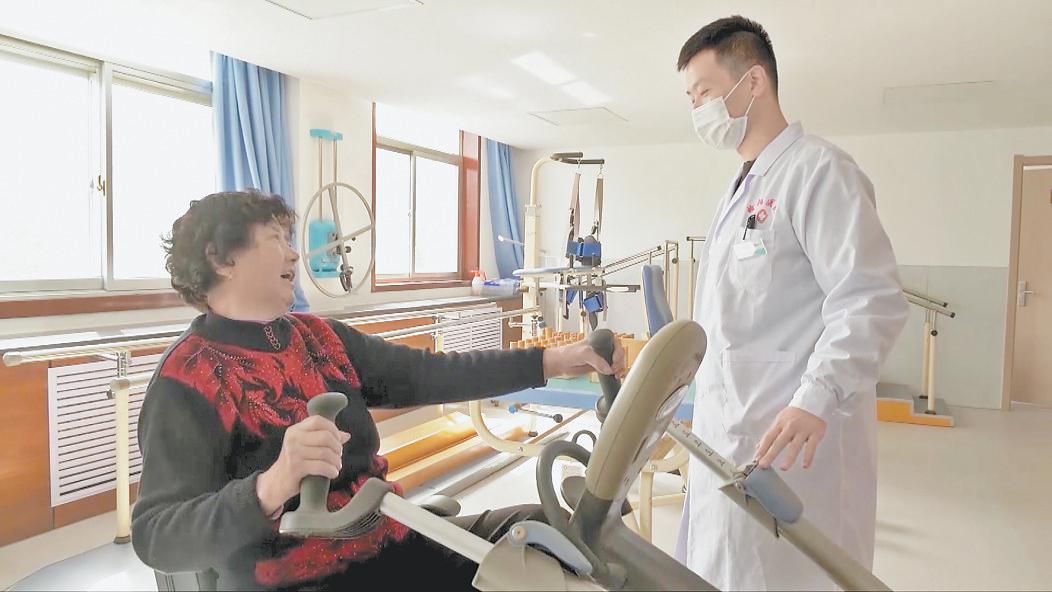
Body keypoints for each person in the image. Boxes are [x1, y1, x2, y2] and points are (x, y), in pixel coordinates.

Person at [131, 190, 625, 591]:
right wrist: (272, 484)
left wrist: (553, 360)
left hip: (393, 545)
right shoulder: (187, 378)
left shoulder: (318, 337)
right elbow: (157, 536)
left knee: (553, 535)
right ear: (221, 259)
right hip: (299, 581)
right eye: (275, 238)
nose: (293, 252)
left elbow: (431, 374)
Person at [673, 15, 909, 591]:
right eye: (691, 99)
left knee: (793, 574)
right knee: (728, 565)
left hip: (798, 440)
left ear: (753, 81)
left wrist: (817, 397)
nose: (697, 109)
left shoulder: (819, 172)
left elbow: (869, 299)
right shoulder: (740, 189)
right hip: (732, 430)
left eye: (704, 92)